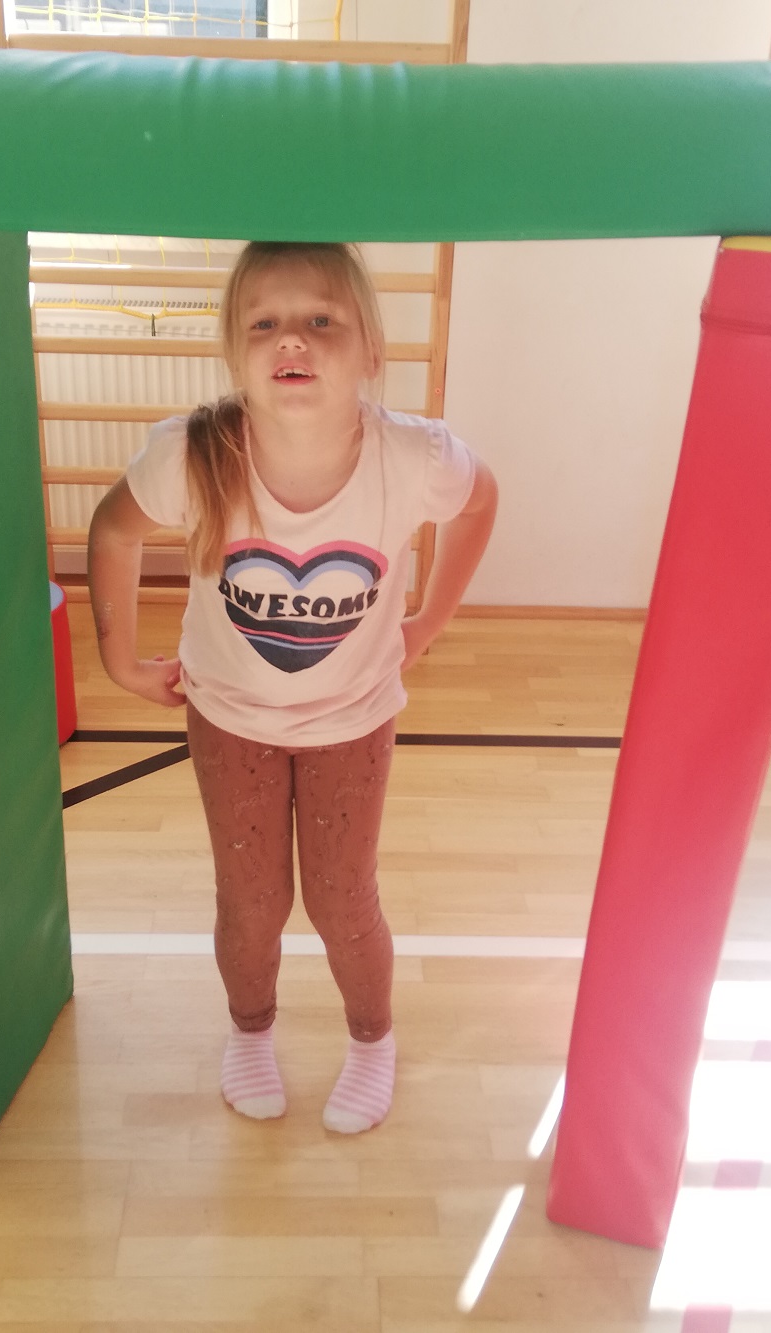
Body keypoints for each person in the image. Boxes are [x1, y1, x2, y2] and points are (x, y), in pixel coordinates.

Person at [88, 241, 497, 1133]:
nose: (292, 339)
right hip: (230, 718)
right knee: (252, 903)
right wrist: (119, 659)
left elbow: (480, 501)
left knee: (343, 900)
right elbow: (114, 530)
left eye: (320, 319)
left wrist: (428, 620)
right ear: (234, 352)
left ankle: (373, 1038)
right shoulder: (193, 453)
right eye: (265, 322)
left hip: (351, 719)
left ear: (371, 350)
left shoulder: (411, 456)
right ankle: (250, 1030)